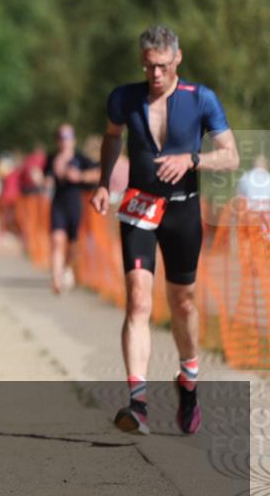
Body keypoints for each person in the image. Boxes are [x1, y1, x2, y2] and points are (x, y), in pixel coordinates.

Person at [91, 25, 239, 436]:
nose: (154, 75)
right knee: (138, 299)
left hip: (182, 211)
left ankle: (189, 381)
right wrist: (104, 183)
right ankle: (137, 403)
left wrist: (192, 160)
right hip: (139, 207)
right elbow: (111, 137)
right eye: (148, 66)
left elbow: (230, 156)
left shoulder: (201, 99)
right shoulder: (124, 97)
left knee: (183, 302)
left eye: (161, 66)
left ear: (177, 60)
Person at [45, 124, 100, 294]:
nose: (64, 141)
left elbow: (98, 172)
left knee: (73, 243)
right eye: (61, 137)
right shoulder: (52, 158)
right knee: (57, 240)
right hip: (58, 203)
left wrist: (80, 176)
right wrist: (43, 179)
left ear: (73, 140)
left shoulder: (80, 158)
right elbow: (45, 178)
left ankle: (68, 268)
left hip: (76, 203)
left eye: (68, 136)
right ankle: (56, 278)